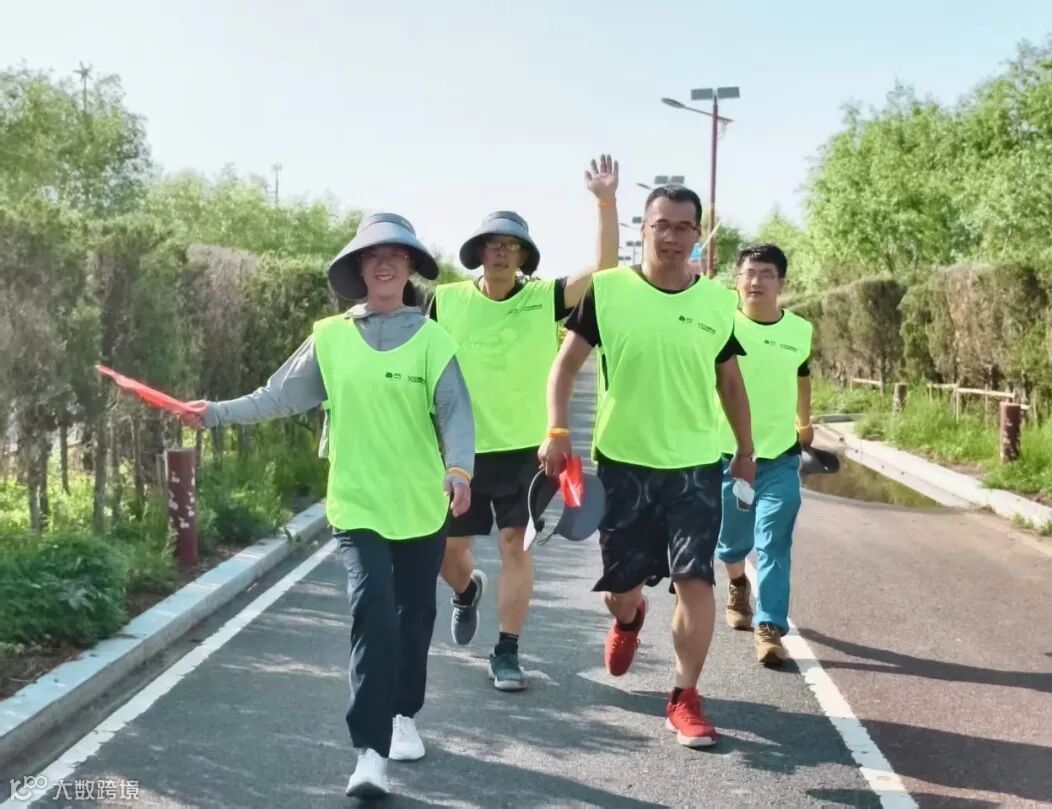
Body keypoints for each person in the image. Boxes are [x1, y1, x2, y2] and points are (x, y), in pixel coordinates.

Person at [180, 213, 474, 800]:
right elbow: (275, 397)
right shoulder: (330, 338)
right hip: (356, 504)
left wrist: (459, 470)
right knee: (372, 611)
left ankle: (403, 713)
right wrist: (213, 413)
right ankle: (370, 752)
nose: (384, 264)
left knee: (413, 616)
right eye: (373, 256)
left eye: (395, 255)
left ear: (411, 267)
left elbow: (457, 413)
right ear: (359, 268)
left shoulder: (434, 340)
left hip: (421, 504)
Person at [540, 184, 756, 748]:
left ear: (697, 234)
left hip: (695, 466)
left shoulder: (716, 302)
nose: (672, 236)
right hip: (625, 464)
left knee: (695, 579)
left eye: (684, 227)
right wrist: (557, 430)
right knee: (623, 588)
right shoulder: (609, 291)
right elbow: (564, 367)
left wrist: (745, 451)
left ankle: (685, 696)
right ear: (645, 228)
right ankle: (628, 618)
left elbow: (730, 382)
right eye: (662, 225)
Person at [428, 155, 620, 691]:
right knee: (449, 554)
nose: (500, 252)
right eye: (492, 245)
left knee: (517, 543)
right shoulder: (445, 301)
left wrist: (605, 202)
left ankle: (507, 651)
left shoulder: (542, 298)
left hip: (527, 452)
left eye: (510, 246)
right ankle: (467, 591)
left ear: (523, 257)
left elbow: (605, 269)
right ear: (478, 253)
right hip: (461, 451)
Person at [715, 243, 813, 665]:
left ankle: (769, 626)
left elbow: (802, 375)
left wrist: (804, 420)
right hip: (727, 456)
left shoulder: (800, 331)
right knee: (731, 543)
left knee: (774, 541)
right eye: (749, 273)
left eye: (766, 274)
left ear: (781, 283)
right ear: (737, 281)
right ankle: (738, 583)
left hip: (780, 457)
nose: (756, 281)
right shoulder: (722, 324)